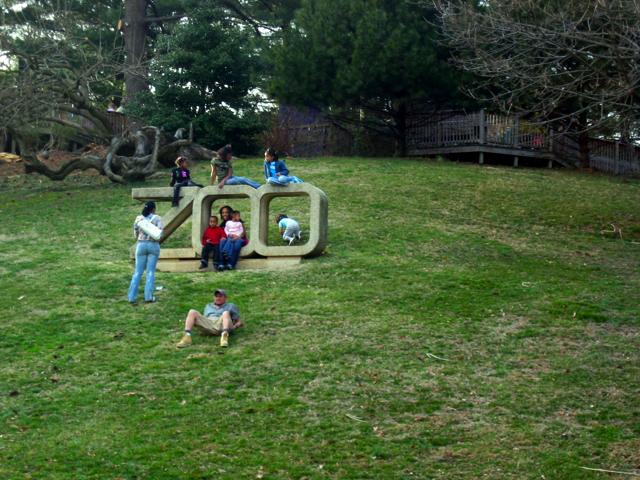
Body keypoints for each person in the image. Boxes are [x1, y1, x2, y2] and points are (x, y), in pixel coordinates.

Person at [176, 289, 244, 348]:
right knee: (192, 311)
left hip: (221, 323)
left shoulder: (230, 306)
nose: (218, 298)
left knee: (225, 313)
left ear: (225, 298)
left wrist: (234, 327)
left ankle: (224, 336)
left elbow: (239, 321)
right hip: (209, 323)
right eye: (216, 296)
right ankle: (187, 337)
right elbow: (205, 318)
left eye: (220, 296)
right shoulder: (208, 306)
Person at [128, 201, 163, 304]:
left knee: (138, 272)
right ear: (153, 209)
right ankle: (148, 296)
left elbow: (135, 234)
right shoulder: (157, 218)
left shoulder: (139, 218)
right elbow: (160, 233)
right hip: (153, 245)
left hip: (141, 245)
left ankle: (131, 297)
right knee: (150, 271)